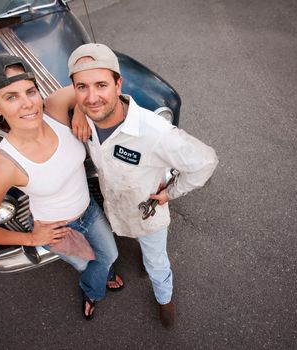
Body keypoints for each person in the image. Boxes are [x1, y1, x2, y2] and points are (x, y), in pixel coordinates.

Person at [46, 43, 219, 328]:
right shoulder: (86, 114)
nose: (92, 97)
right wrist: (78, 106)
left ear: (118, 84)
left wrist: (171, 193)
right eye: (82, 88)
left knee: (155, 262)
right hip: (116, 207)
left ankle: (165, 300)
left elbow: (205, 162)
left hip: (147, 213)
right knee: (129, 239)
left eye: (101, 85)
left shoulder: (155, 132)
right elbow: (57, 100)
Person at [0, 55, 124, 320]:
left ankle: (99, 277)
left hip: (89, 211)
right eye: (11, 97)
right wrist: (30, 239)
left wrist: (81, 111)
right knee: (86, 264)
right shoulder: (4, 163)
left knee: (110, 254)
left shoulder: (55, 110)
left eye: (30, 91)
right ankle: (92, 291)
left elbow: (84, 88)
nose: (27, 104)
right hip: (57, 230)